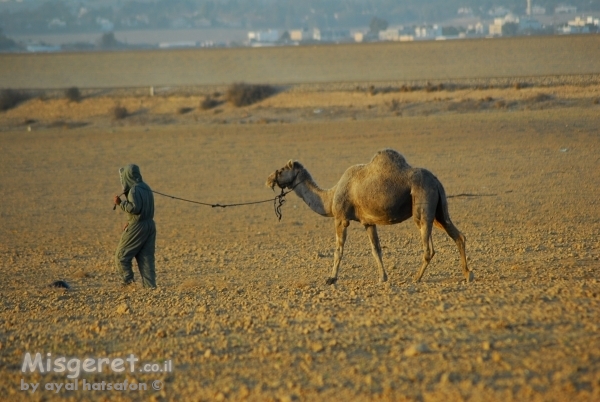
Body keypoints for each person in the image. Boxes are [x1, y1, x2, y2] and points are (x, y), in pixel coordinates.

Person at [113, 164, 156, 289]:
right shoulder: (146, 187)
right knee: (146, 258)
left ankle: (128, 284)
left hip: (138, 226)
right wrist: (130, 219)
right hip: (150, 225)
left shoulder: (134, 190)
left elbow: (134, 208)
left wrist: (120, 203)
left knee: (121, 256)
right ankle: (150, 287)